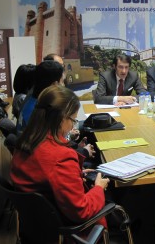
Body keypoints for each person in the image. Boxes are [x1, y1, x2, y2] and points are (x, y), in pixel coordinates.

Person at [10, 85, 110, 227]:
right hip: (66, 230)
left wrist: (75, 174)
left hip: (36, 226)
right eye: (73, 120)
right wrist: (98, 188)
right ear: (62, 118)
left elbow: (46, 176)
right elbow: (81, 211)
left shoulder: (26, 141)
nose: (72, 126)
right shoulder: (61, 157)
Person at [17, 60, 65, 133]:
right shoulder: (38, 110)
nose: (63, 85)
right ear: (54, 84)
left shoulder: (32, 97)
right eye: (62, 81)